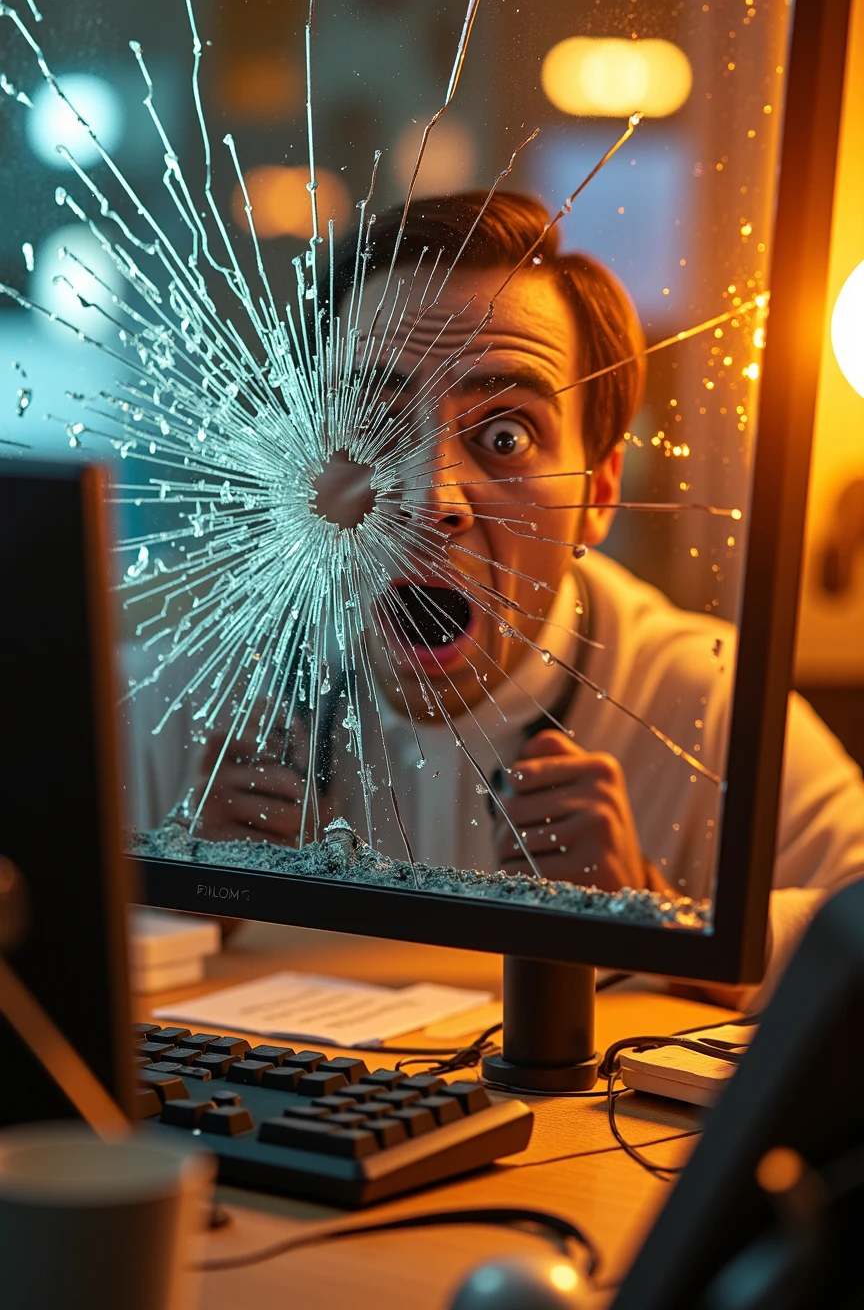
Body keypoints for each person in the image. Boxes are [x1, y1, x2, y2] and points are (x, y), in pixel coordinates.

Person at [126, 191, 864, 1003]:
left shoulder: (704, 706)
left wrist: (662, 922)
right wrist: (174, 897)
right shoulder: (189, 691)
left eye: (505, 436)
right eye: (370, 422)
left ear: (601, 488)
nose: (428, 495)